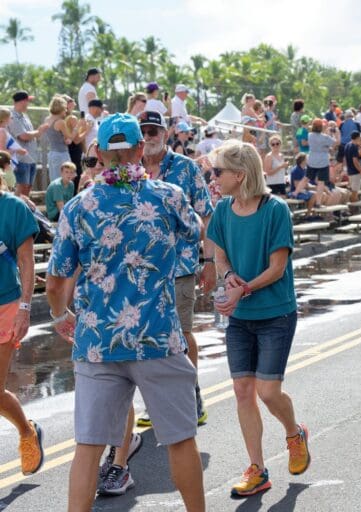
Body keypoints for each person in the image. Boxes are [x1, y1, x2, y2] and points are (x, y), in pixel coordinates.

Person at [45, 113, 205, 511]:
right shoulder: (166, 196)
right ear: (139, 150)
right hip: (158, 338)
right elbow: (196, 230)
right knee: (180, 439)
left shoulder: (80, 207)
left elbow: (56, 280)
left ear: (98, 153)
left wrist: (60, 314)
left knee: (89, 445)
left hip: (98, 342)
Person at [207, 139, 311, 497]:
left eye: (218, 171)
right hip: (240, 315)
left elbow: (278, 268)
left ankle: (295, 433)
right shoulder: (222, 210)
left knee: (268, 392)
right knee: (242, 391)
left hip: (275, 313)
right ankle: (258, 468)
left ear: (240, 174)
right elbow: (219, 257)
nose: (214, 176)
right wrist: (227, 277)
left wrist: (243, 289)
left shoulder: (275, 210)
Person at [136, 109, 215, 429]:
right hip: (139, 272)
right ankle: (156, 401)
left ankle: (191, 394)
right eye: (144, 131)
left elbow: (207, 216)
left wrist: (208, 262)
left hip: (180, 265)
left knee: (181, 334)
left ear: (165, 135)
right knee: (146, 337)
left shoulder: (185, 168)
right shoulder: (131, 170)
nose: (149, 137)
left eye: (154, 131)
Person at [0, 152, 43, 478]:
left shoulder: (13, 208)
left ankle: (27, 433)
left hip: (6, 305)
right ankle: (27, 429)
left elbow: (27, 262)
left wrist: (25, 309)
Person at [9, 91, 48, 197]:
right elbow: (23, 136)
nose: (28, 104)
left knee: (28, 187)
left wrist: (37, 133)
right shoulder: (12, 116)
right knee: (21, 187)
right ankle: (17, 212)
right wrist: (39, 131)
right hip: (20, 159)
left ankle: (23, 211)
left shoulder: (24, 115)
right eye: (27, 101)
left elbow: (31, 135)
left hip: (31, 157)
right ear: (22, 101)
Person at [307, 118, 338, 206]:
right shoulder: (325, 137)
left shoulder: (310, 135)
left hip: (312, 160)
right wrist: (335, 134)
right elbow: (335, 143)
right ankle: (318, 202)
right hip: (323, 162)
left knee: (306, 178)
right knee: (321, 182)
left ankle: (296, 192)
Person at [43, 96, 72, 183]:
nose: (66, 111)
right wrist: (78, 127)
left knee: (54, 181)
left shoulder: (47, 119)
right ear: (62, 108)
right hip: (61, 154)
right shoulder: (60, 122)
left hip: (52, 153)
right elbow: (70, 137)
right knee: (65, 181)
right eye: (65, 108)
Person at [344, 131, 361, 202]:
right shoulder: (353, 147)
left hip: (350, 172)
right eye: (360, 137)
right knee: (354, 193)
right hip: (355, 172)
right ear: (357, 138)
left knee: (353, 192)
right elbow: (355, 161)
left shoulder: (347, 145)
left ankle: (354, 209)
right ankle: (353, 209)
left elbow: (345, 159)